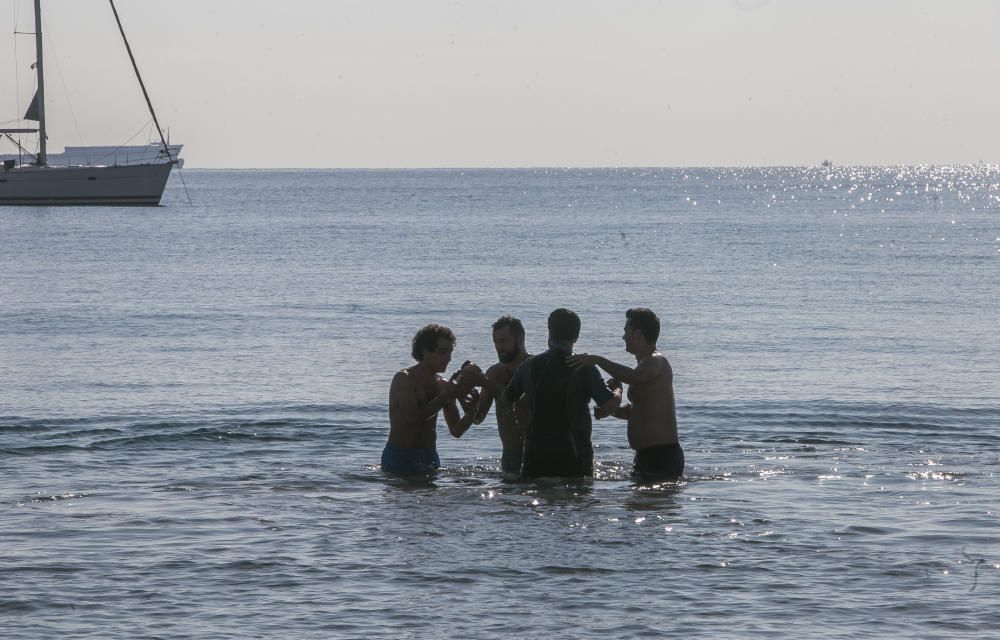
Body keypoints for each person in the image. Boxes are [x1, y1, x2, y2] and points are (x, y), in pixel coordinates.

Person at [567, 308, 683, 481]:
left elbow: (634, 377)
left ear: (637, 334)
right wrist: (610, 409)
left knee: (652, 506)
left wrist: (597, 360)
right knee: (636, 506)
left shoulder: (656, 360)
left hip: (662, 454)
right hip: (645, 455)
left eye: (625, 332)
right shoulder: (644, 364)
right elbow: (636, 413)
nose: (623, 337)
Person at [504, 308, 621, 478]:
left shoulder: (529, 366)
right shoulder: (584, 366)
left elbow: (506, 400)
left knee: (537, 499)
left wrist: (522, 428)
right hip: (574, 455)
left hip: (535, 454)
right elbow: (609, 405)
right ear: (576, 336)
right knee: (575, 499)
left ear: (549, 330)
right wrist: (618, 390)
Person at [382, 323, 479, 475]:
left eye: (450, 353)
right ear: (425, 351)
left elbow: (456, 430)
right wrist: (447, 395)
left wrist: (472, 411)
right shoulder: (404, 379)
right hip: (400, 455)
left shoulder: (444, 385)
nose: (448, 358)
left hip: (430, 456)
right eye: (443, 352)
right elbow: (412, 418)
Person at [466, 315, 532, 475]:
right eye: (495, 342)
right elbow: (478, 418)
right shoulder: (494, 373)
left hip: (536, 452)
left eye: (503, 341)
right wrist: (468, 402)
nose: (498, 347)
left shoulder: (535, 367)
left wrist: (483, 382)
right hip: (509, 455)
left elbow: (518, 401)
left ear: (520, 339)